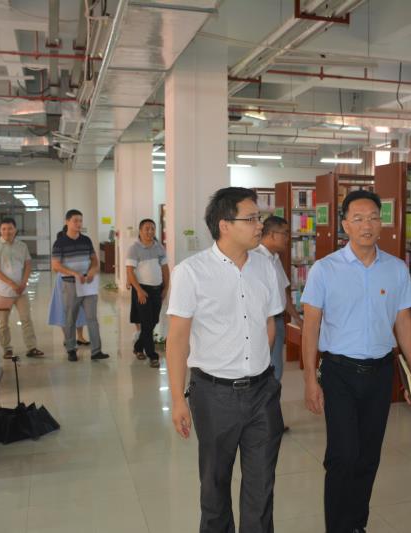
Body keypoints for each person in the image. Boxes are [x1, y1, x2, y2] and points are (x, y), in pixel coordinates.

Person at [301, 189, 411, 533]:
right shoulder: (325, 270)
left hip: (380, 372)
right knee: (343, 455)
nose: (367, 225)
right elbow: (311, 327)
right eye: (358, 219)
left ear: (381, 223)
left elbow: (403, 322)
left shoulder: (396, 269)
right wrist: (310, 380)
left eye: (373, 218)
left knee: (369, 455)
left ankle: (356, 524)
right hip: (339, 372)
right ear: (345, 225)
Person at [166, 187, 284, 533]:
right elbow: (177, 340)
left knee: (261, 487)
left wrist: (259, 366)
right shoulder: (191, 272)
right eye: (251, 218)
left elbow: (270, 323)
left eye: (259, 217)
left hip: (262, 392)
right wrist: (178, 399)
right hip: (215, 395)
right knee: (215, 485)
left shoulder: (265, 267)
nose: (259, 225)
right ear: (225, 225)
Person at [51, 209, 108, 362]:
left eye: (80, 220)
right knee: (70, 318)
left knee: (92, 318)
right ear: (67, 222)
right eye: (75, 220)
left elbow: (94, 260)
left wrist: (92, 271)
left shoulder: (86, 240)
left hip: (88, 284)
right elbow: (56, 265)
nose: (78, 223)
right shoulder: (60, 243)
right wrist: (74, 273)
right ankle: (71, 349)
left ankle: (96, 351)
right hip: (70, 285)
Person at [254, 215, 303, 382]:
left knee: (276, 369)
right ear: (272, 234)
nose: (288, 238)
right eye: (285, 233)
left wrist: (298, 319)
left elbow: (282, 293)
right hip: (262, 323)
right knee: (263, 369)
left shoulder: (274, 258)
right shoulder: (255, 258)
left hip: (278, 321)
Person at [0, 217, 43, 359]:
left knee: (26, 319)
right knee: (3, 323)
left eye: (10, 228)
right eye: (4, 229)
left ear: (15, 230)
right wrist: (12, 284)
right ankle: (7, 349)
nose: (7, 231)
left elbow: (28, 265)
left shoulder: (22, 246)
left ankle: (31, 347)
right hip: (3, 292)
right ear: (0, 230)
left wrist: (23, 283)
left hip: (21, 292)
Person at [126, 218, 170, 368]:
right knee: (146, 322)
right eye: (147, 229)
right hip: (142, 290)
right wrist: (139, 290)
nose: (150, 231)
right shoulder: (134, 248)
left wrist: (165, 288)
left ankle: (138, 347)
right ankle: (152, 355)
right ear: (140, 231)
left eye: (152, 229)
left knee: (153, 321)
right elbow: (130, 272)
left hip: (157, 290)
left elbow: (165, 269)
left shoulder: (159, 247)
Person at [48, 225, 89, 344]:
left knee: (80, 308)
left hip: (79, 281)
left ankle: (80, 337)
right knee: (64, 309)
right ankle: (67, 338)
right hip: (64, 281)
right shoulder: (60, 245)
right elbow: (55, 268)